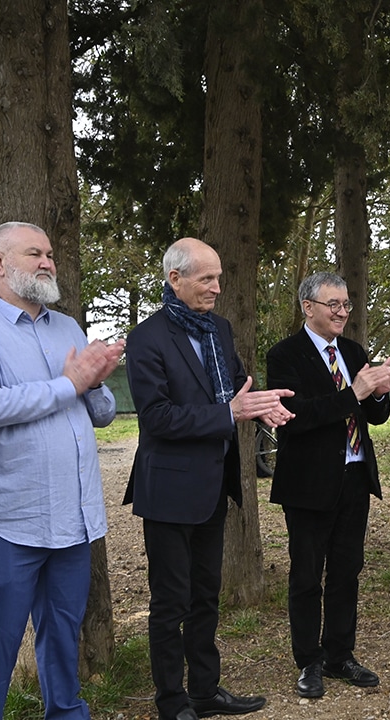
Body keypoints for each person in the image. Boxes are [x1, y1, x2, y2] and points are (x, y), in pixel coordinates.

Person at [0, 221, 125, 720]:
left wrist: (96, 381)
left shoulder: (66, 327)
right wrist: (71, 383)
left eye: (50, 254)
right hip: (1, 517)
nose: (47, 262)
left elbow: (101, 414)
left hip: (71, 516)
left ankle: (66, 713)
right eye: (34, 253)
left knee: (63, 633)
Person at [125, 237, 294, 720]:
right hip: (169, 492)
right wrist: (229, 413)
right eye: (207, 278)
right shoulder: (146, 339)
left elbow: (238, 386)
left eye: (219, 277)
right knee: (170, 603)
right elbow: (157, 418)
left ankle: (204, 690)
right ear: (174, 279)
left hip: (214, 486)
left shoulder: (219, 329)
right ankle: (172, 703)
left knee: (206, 597)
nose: (218, 288)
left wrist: (263, 409)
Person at [266, 271, 390, 699]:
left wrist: (382, 391)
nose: (342, 313)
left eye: (346, 305)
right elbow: (297, 419)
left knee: (347, 571)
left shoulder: (352, 351)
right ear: (308, 307)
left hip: (354, 476)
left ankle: (339, 654)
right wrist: (356, 391)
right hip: (308, 484)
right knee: (308, 576)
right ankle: (308, 661)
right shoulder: (285, 356)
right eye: (334, 305)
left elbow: (374, 416)